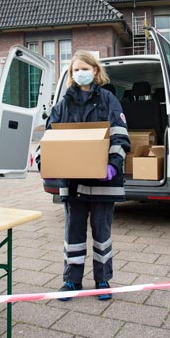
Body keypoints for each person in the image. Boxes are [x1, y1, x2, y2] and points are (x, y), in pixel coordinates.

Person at [36, 51, 130, 300]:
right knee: (73, 234)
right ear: (71, 74)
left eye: (84, 68)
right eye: (75, 70)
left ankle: (102, 280)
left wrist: (112, 165)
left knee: (102, 234)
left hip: (104, 182)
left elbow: (120, 136)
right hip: (73, 183)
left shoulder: (109, 100)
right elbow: (48, 139)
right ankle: (71, 281)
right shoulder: (63, 104)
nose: (80, 73)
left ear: (96, 71)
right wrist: (43, 162)